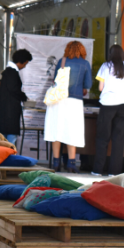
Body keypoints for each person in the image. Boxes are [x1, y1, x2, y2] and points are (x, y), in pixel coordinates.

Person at [44, 41, 92, 173]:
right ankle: (71, 164)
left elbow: (55, 80)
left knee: (57, 131)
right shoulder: (85, 64)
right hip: (75, 101)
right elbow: (87, 84)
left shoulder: (62, 61)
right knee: (72, 131)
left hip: (59, 100)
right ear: (82, 50)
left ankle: (56, 163)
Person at [92, 44, 124, 176]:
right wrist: (123, 91)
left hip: (107, 104)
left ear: (110, 54)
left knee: (102, 138)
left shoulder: (105, 67)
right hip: (123, 105)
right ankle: (114, 172)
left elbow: (101, 88)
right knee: (118, 139)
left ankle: (97, 170)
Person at [0, 49, 32, 144]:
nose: (24, 66)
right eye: (25, 64)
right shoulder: (12, 73)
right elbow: (13, 89)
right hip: (10, 111)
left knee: (2, 136)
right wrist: (23, 96)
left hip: (5, 110)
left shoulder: (8, 72)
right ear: (21, 61)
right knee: (10, 137)